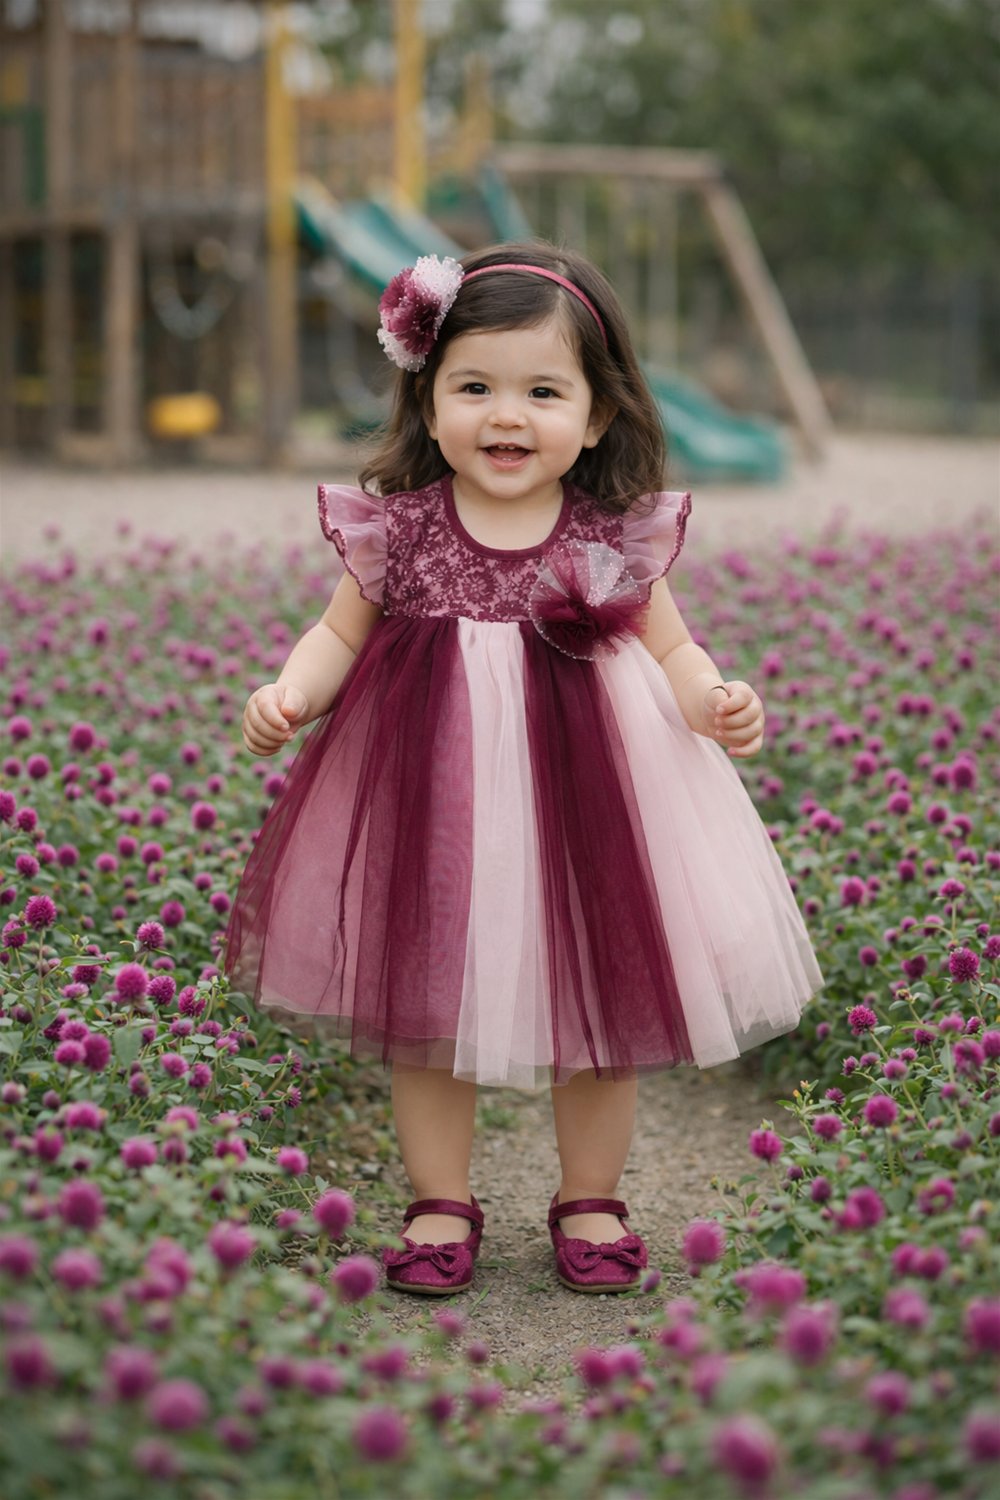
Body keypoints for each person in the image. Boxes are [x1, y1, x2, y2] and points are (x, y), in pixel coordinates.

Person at [224, 242, 822, 1297]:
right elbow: (335, 637)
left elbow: (672, 649)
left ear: (594, 415)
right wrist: (289, 693)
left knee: (601, 1002)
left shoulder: (608, 534)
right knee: (427, 1000)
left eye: (542, 390)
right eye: (474, 388)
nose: (506, 415)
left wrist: (712, 701)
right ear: (427, 398)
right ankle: (437, 1199)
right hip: (434, 799)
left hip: (590, 801)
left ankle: (589, 1196)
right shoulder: (401, 531)